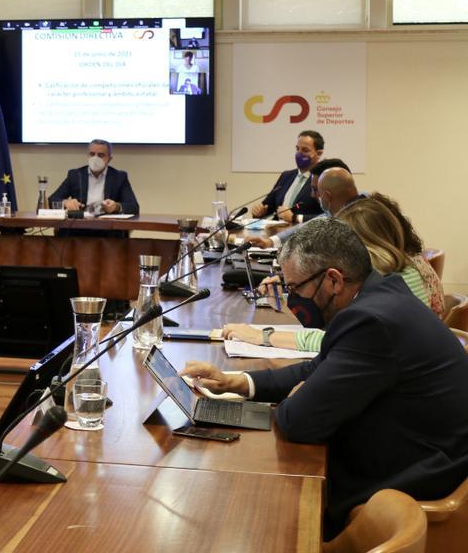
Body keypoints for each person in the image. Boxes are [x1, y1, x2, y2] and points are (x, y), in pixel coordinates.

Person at [188, 218, 468, 539]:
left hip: (410, 480)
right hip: (418, 454)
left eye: (295, 287)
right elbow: (316, 369)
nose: (292, 298)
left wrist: (298, 398)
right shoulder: (379, 295)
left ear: (333, 280)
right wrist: (237, 382)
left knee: (258, 511)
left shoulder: (371, 321)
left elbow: (299, 423)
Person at [225, 196, 444, 352]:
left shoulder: (394, 279)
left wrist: (264, 336)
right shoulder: (387, 271)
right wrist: (297, 289)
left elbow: (342, 339)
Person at [48, 139, 139, 215]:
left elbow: (134, 207)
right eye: (92, 154)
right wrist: (66, 203)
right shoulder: (75, 175)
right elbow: (52, 200)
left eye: (101, 155)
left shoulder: (119, 177)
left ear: (109, 159)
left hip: (108, 229)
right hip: (78, 227)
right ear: (88, 155)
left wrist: (116, 207)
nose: (95, 158)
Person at [249, 130, 324, 222]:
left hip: (304, 233)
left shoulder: (322, 179)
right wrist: (260, 211)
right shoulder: (286, 176)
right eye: (297, 149)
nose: (299, 153)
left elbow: (328, 216)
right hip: (275, 232)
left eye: (305, 150)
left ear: (319, 153)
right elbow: (268, 205)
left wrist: (295, 218)